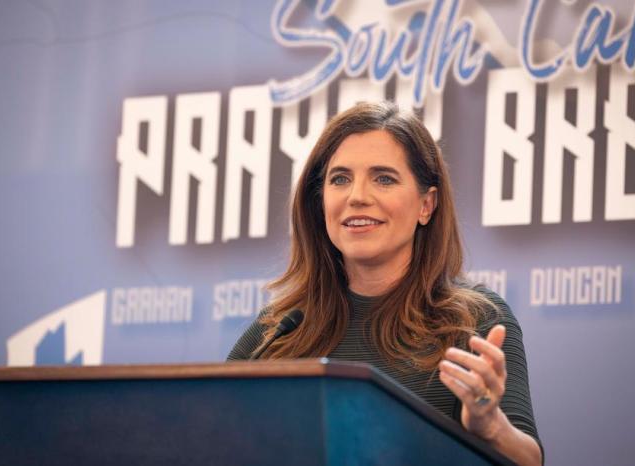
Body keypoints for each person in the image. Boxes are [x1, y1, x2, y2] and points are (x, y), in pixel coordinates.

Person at [228, 102, 543, 466]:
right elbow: (211, 432)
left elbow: (529, 461)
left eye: (384, 178)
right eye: (340, 179)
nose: (357, 196)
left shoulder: (473, 320)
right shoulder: (280, 329)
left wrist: (490, 426)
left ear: (427, 205)